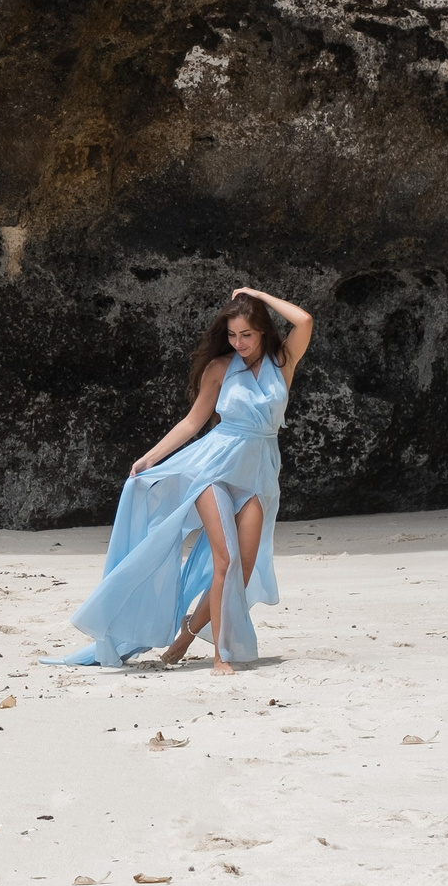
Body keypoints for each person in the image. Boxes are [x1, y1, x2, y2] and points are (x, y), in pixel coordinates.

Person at [43, 287, 314, 674]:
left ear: (263, 331)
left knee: (243, 568)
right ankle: (221, 656)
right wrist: (151, 457)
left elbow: (304, 320)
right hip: (213, 468)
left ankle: (187, 634)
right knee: (225, 560)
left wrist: (255, 293)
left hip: (258, 475)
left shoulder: (282, 362)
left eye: (246, 335)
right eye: (232, 335)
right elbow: (192, 422)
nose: (238, 343)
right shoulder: (219, 368)